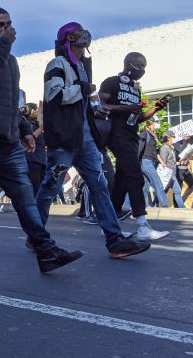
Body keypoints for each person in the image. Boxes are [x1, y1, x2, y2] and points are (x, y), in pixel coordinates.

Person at [0, 8, 82, 275]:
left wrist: (25, 130)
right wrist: (4, 43)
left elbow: (9, 103)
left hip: (9, 143)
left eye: (9, 24)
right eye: (0, 25)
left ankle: (46, 251)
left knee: (25, 199)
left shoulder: (10, 60)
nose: (7, 29)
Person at [36, 22, 151, 258]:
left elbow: (80, 101)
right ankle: (35, 235)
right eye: (78, 31)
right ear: (68, 38)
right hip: (65, 139)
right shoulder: (58, 64)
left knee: (100, 187)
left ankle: (115, 241)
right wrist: (84, 89)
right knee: (50, 186)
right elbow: (54, 95)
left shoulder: (81, 66)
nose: (84, 34)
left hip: (85, 138)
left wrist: (93, 109)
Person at [99, 52, 170, 240]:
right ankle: (142, 225)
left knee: (122, 181)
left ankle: (109, 226)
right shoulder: (111, 82)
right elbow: (100, 105)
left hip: (131, 135)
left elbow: (137, 118)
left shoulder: (135, 89)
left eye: (145, 66)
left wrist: (156, 108)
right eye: (140, 65)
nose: (142, 70)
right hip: (115, 133)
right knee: (135, 175)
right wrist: (125, 108)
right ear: (128, 64)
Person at [139, 118, 169, 207]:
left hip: (150, 162)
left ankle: (141, 205)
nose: (158, 124)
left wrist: (162, 163)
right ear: (152, 123)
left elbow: (155, 153)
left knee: (144, 187)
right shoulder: (145, 134)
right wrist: (136, 161)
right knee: (157, 182)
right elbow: (139, 147)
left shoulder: (152, 136)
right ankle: (164, 204)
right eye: (157, 122)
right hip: (146, 162)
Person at [159, 130, 186, 207]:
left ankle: (182, 208)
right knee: (163, 191)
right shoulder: (164, 148)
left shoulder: (170, 149)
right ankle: (154, 205)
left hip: (172, 174)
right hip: (167, 174)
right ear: (168, 138)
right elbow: (163, 162)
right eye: (173, 137)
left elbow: (172, 162)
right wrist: (165, 173)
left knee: (176, 191)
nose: (174, 139)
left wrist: (180, 163)